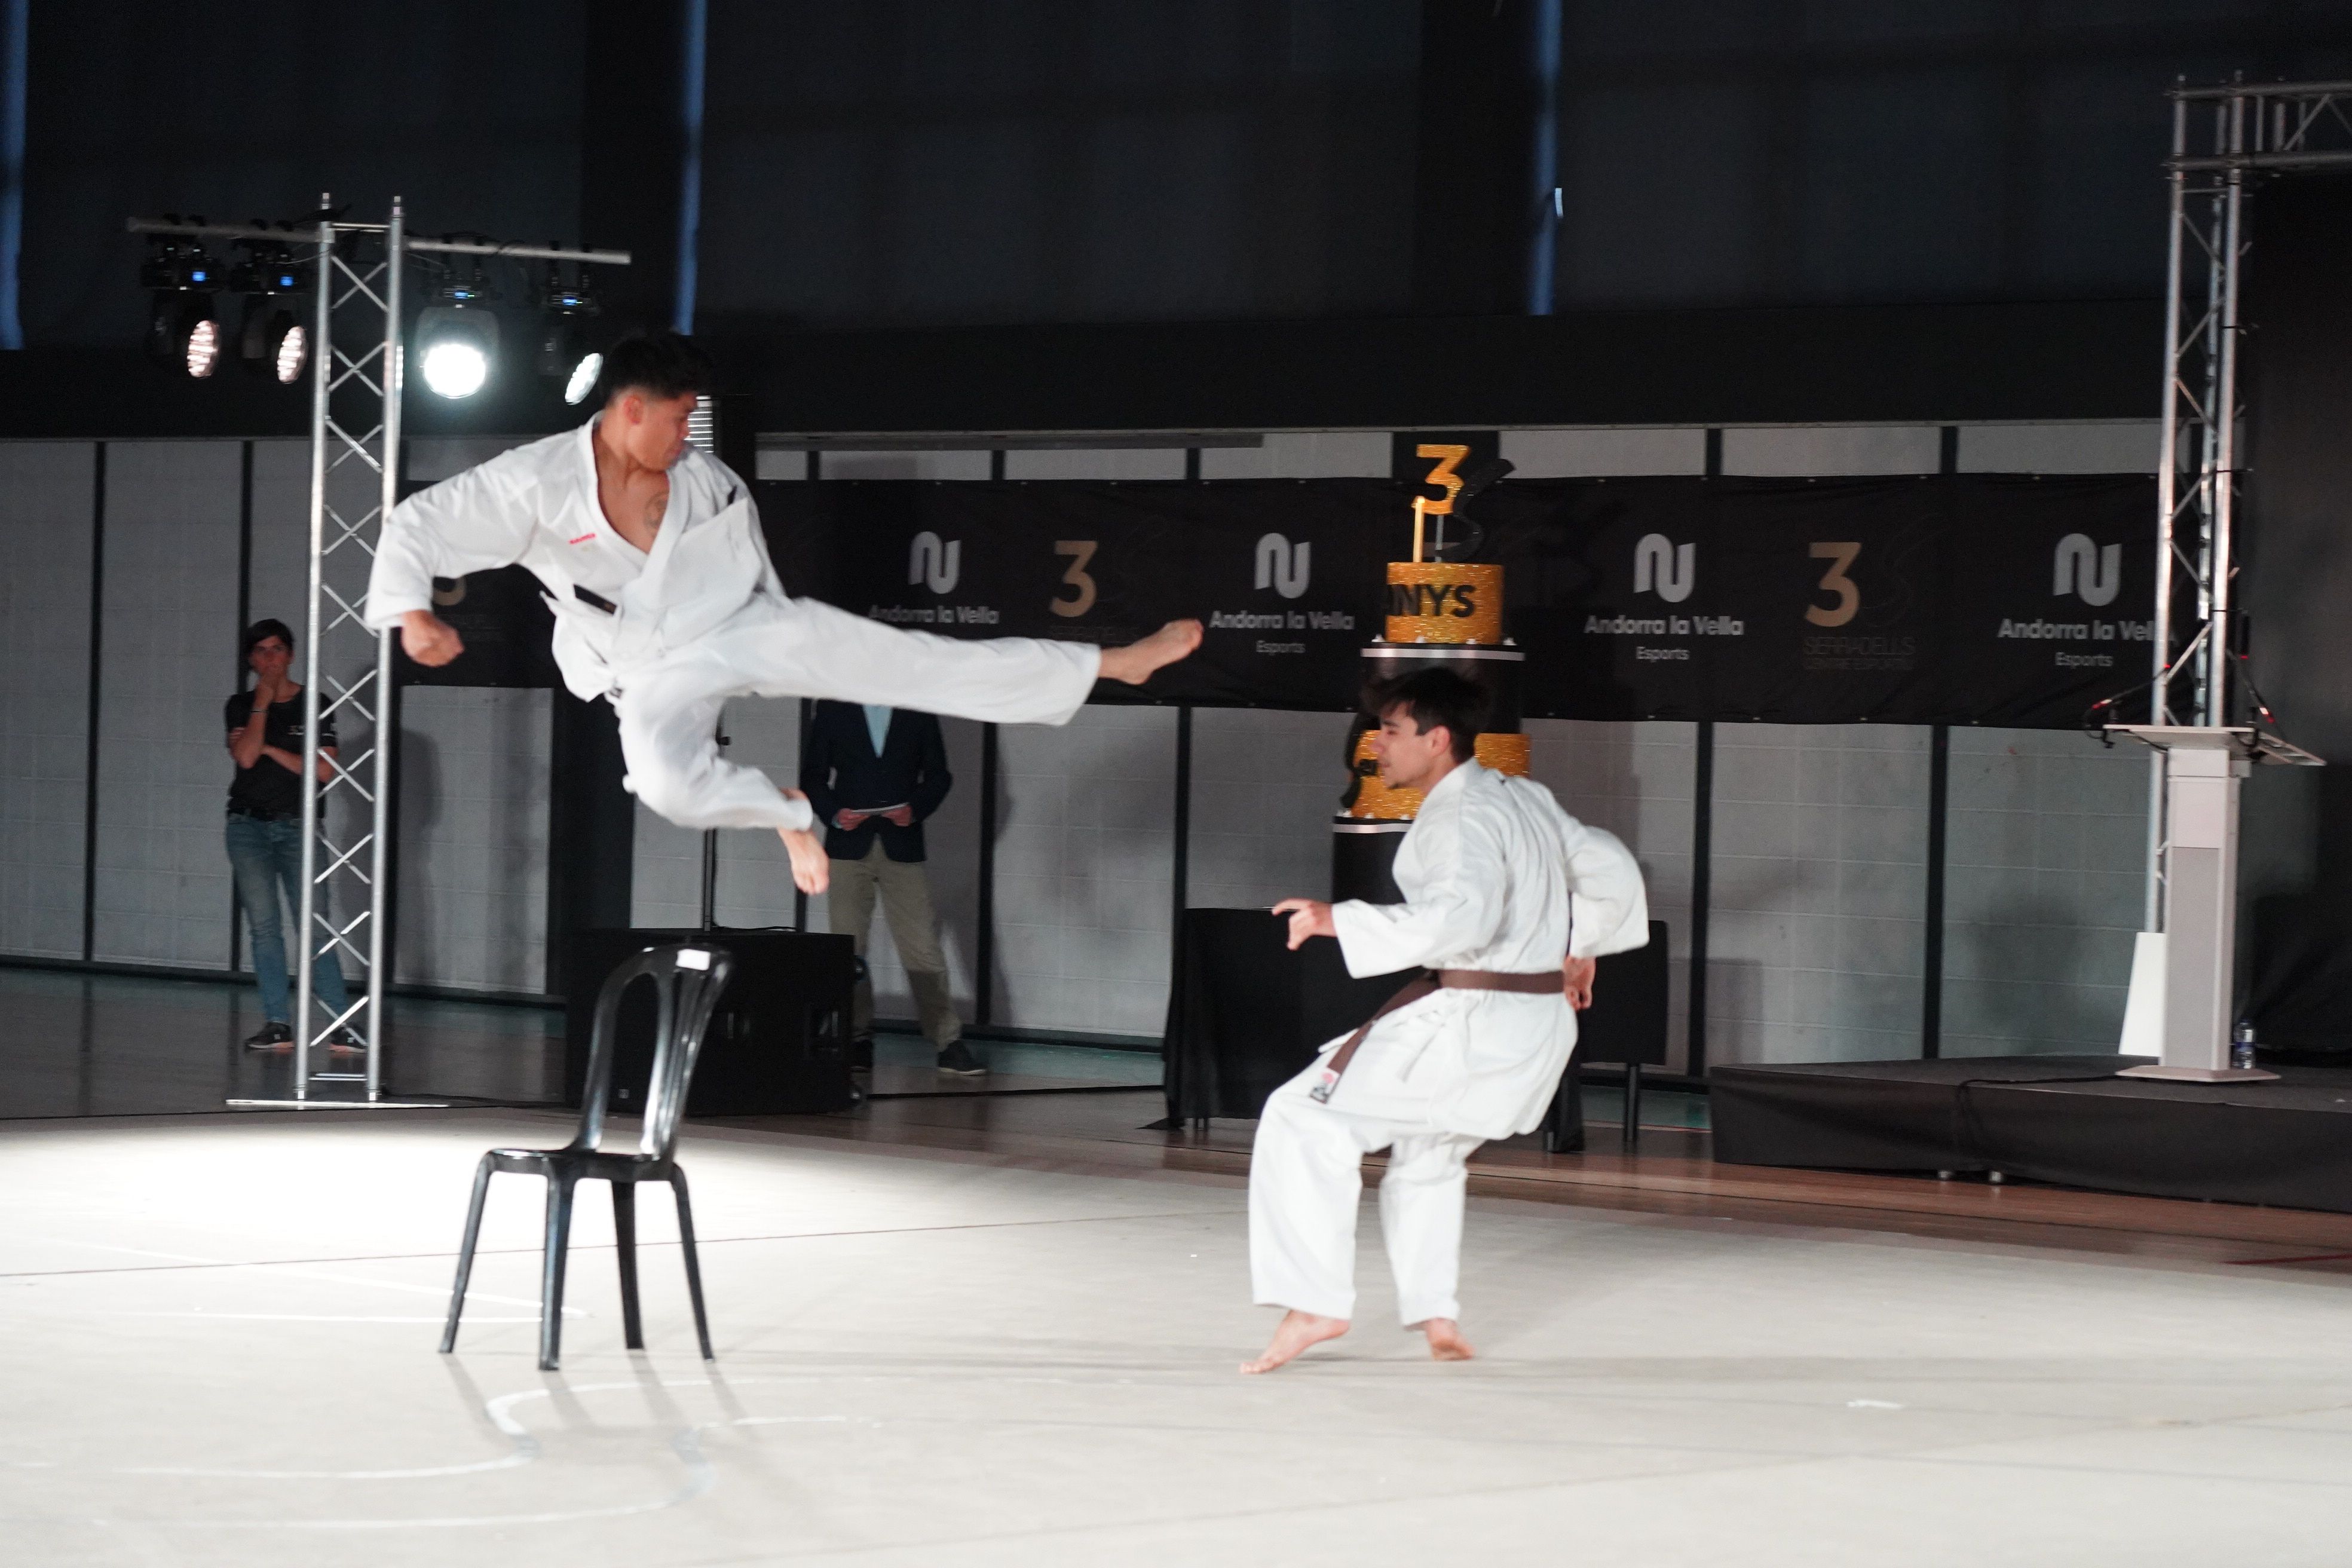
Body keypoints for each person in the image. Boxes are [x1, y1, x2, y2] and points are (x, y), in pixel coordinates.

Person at [365, 332, 1199, 899]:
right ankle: (792, 812)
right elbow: (418, 524)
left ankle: (1107, 662)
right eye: (677, 414)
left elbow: (751, 569)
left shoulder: (710, 480)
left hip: (743, 624)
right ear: (629, 409)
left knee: (911, 661)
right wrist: (411, 615)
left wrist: (792, 639)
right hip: (646, 665)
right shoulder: (533, 483)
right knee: (666, 787)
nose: (688, 430)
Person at [1242, 668, 1648, 1375]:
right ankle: (1437, 1313)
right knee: (1430, 1153)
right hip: (1532, 1028)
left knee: (1300, 1117)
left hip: (1473, 1021)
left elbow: (1463, 917)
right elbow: (1610, 864)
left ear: (1437, 738)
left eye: (1392, 731)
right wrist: (1582, 947)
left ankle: (1314, 1302)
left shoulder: (1461, 815)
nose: (1378, 746)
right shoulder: (1522, 795)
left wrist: (1338, 918)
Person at [799, 700, 983, 1075]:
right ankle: (856, 1037)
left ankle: (947, 1041)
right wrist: (834, 813)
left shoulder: (915, 708)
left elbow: (939, 776)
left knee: (921, 945)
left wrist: (914, 809)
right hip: (848, 844)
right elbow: (813, 776)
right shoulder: (835, 709)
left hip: (902, 842)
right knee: (849, 947)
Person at [223, 619, 360, 1052]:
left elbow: (322, 772)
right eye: (261, 651)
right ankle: (278, 1023)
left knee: (315, 927)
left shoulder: (316, 703)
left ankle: (342, 1024)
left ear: (292, 654)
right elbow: (244, 760)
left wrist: (267, 747)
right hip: (247, 826)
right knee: (264, 929)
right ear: (250, 659)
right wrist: (262, 704)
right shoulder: (240, 704)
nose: (270, 659)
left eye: (278, 650)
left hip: (297, 826)